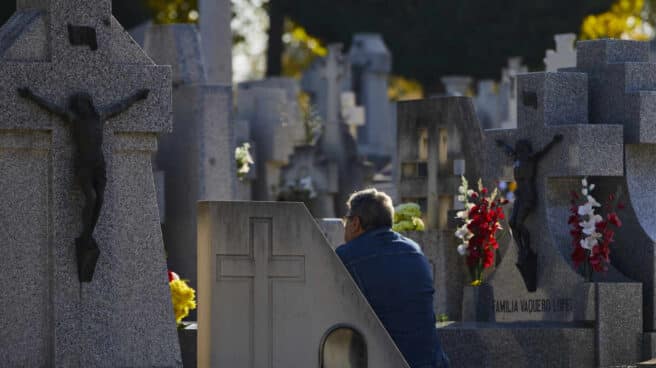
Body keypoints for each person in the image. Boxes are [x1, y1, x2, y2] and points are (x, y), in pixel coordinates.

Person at [336, 188, 450, 368]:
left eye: (346, 220)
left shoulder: (347, 256)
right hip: (433, 361)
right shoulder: (414, 250)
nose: (344, 225)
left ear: (356, 223)